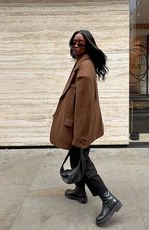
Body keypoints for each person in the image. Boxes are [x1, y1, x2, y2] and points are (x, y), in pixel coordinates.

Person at [50, 29, 122, 226]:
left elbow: (83, 107)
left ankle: (108, 199)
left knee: (83, 162)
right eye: (73, 43)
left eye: (80, 43)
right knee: (76, 158)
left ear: (88, 45)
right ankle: (80, 191)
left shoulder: (85, 68)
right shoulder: (82, 62)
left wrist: (79, 137)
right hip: (77, 126)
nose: (75, 46)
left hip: (79, 128)